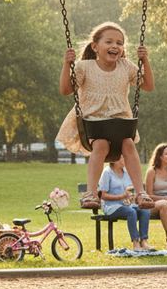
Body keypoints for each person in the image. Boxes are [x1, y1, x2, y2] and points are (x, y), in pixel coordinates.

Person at [57, 21, 155, 211]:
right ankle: (91, 193)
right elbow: (65, 90)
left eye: (119, 43)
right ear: (95, 46)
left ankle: (140, 192)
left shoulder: (126, 66)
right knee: (101, 144)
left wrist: (146, 61)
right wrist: (66, 64)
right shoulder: (84, 67)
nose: (115, 46)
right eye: (109, 42)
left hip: (120, 123)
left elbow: (148, 86)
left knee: (128, 143)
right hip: (93, 123)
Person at [98, 155, 152, 251]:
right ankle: (135, 243)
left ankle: (144, 241)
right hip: (111, 207)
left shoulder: (127, 172)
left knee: (145, 211)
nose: (125, 160)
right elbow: (102, 195)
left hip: (126, 205)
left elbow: (130, 190)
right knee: (131, 212)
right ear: (114, 160)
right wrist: (122, 196)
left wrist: (133, 197)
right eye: (122, 157)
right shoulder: (107, 172)